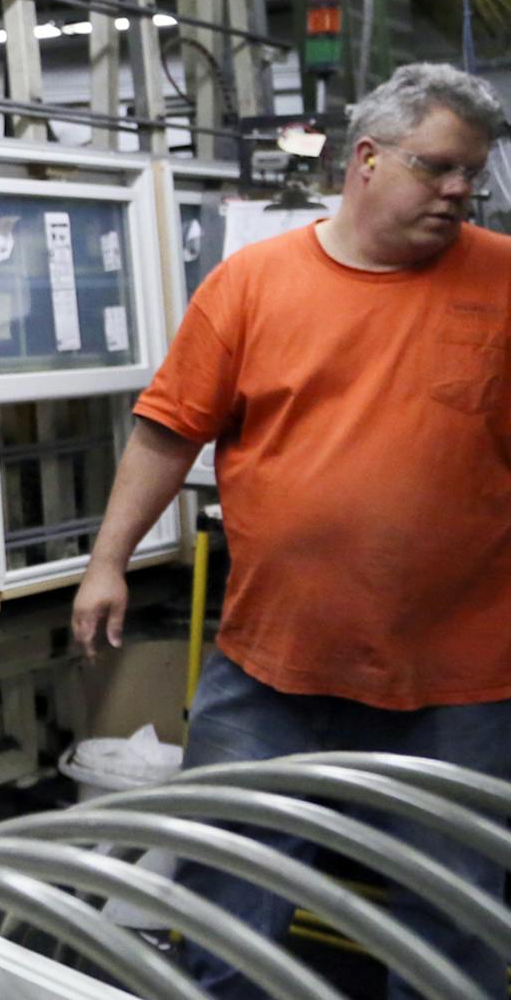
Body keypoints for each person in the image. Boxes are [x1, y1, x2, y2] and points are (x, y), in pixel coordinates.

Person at [70, 62, 510, 999]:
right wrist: (107, 561)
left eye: (474, 170)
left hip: (461, 677)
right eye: (438, 167)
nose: (462, 190)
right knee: (228, 893)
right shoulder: (254, 283)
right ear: (365, 159)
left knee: (453, 915)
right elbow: (166, 428)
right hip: (274, 662)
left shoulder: (505, 282)